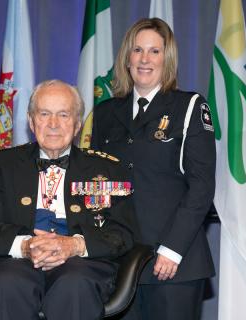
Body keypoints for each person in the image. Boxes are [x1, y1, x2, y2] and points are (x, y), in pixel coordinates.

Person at [0, 79, 137, 320]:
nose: (53, 124)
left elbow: (123, 234)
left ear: (78, 124)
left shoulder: (107, 169)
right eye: (44, 114)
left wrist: (74, 245)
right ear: (31, 121)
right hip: (16, 263)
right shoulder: (3, 165)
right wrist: (25, 246)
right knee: (7, 283)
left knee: (74, 283)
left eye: (64, 115)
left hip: (82, 265)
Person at [91, 18, 216, 320]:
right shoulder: (106, 112)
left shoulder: (189, 107)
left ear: (167, 58)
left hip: (174, 263)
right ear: (127, 57)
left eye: (154, 51)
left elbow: (202, 187)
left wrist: (172, 249)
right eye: (137, 50)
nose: (145, 59)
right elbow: (97, 184)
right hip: (119, 262)